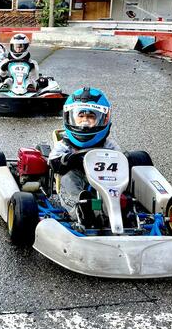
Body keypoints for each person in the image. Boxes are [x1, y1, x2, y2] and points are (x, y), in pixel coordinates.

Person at [48, 87, 121, 225]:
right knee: (69, 178)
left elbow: (121, 163)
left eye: (91, 117)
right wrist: (69, 159)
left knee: (117, 184)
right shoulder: (66, 144)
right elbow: (53, 162)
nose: (85, 121)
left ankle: (111, 211)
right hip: (77, 180)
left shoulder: (108, 145)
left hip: (103, 181)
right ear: (71, 118)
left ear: (102, 119)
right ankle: (80, 209)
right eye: (81, 116)